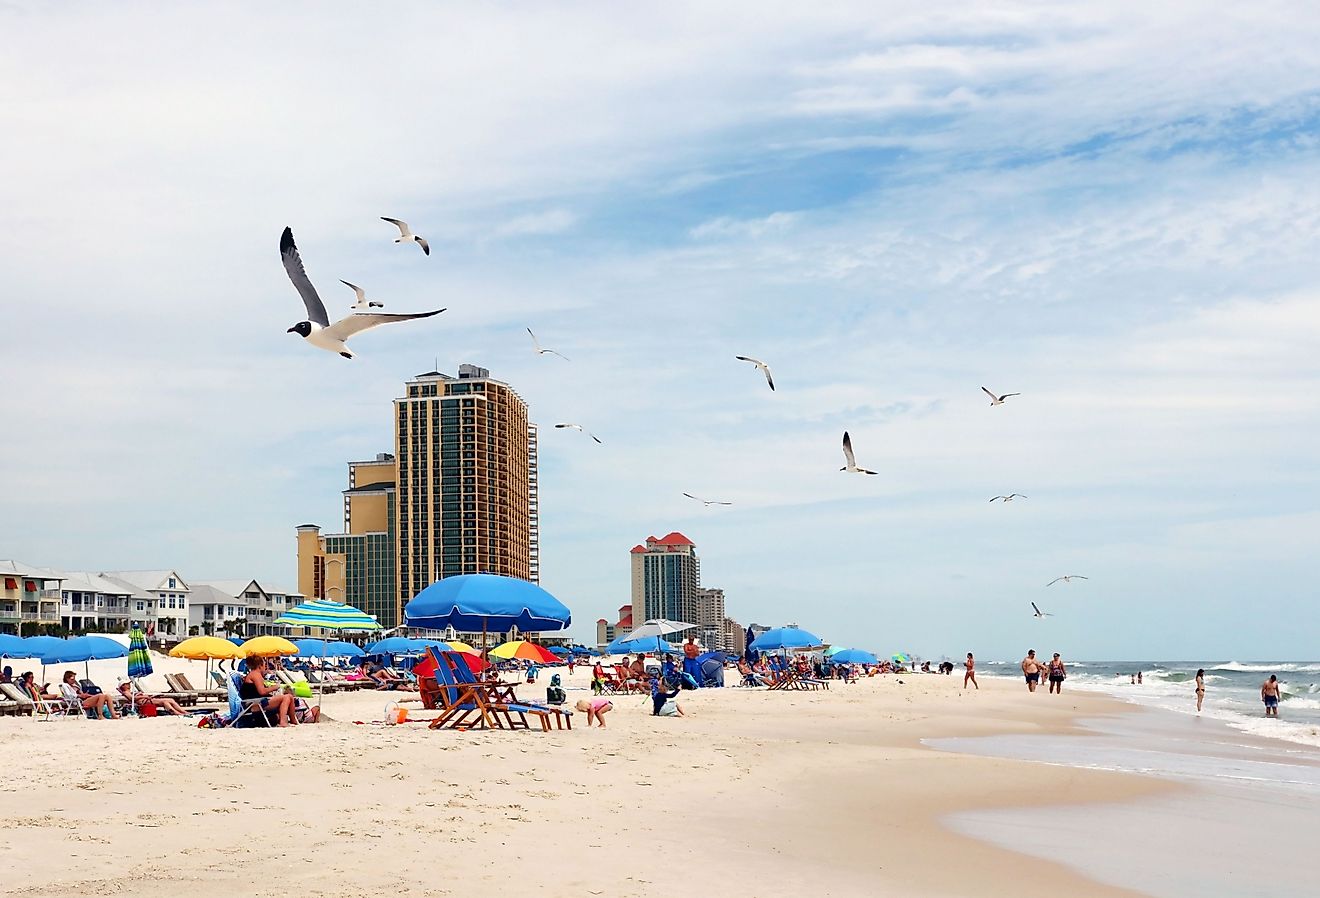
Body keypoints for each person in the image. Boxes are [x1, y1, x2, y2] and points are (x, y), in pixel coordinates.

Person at [241, 656, 297, 726]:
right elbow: (262, 691)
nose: (265, 667)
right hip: (255, 704)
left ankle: (293, 721)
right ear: (260, 666)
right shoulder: (255, 675)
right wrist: (275, 687)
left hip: (257, 702)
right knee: (286, 697)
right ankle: (283, 722)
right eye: (264, 665)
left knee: (290, 697)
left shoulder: (254, 674)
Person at [116, 681, 189, 716]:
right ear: (123, 686)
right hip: (144, 702)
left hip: (146, 700)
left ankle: (183, 712)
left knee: (170, 700)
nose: (129, 684)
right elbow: (133, 699)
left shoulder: (129, 691)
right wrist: (144, 696)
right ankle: (177, 713)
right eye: (127, 684)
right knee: (165, 702)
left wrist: (144, 695)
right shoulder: (126, 692)